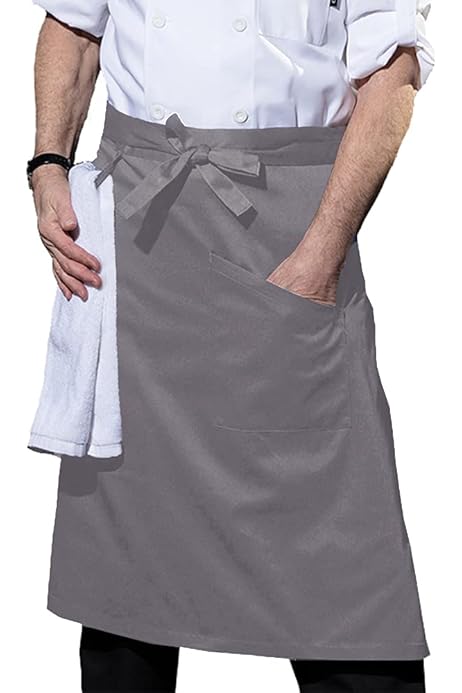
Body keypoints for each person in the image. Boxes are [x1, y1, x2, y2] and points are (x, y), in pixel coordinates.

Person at [28, 1, 435, 691]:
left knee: (348, 594)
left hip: (290, 234)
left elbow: (392, 71)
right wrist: (47, 165)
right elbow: (73, 23)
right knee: (129, 585)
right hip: (141, 252)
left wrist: (318, 260)